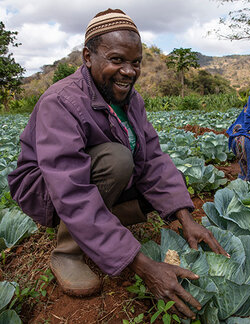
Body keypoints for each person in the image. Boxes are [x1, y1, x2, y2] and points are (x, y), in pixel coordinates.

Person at [8, 9, 228, 319]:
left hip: (90, 180)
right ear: (88, 56)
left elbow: (153, 158)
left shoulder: (131, 99)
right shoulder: (62, 101)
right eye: (116, 60)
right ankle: (68, 252)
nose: (128, 71)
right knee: (117, 160)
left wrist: (184, 215)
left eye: (135, 62)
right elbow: (70, 189)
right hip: (47, 189)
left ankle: (101, 227)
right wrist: (144, 266)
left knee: (152, 184)